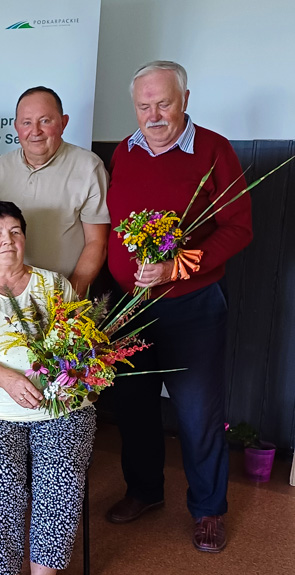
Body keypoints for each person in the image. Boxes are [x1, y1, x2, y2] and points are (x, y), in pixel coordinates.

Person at [104, 61, 252, 553]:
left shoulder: (214, 149)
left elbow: (238, 228)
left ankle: (208, 509)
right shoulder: (125, 151)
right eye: (143, 106)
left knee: (196, 412)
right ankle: (145, 491)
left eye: (163, 103)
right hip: (131, 307)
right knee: (135, 406)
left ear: (185, 98)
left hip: (193, 305)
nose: (153, 114)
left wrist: (178, 268)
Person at [0, 201, 95, 575]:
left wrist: (71, 373)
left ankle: (45, 573)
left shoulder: (54, 284)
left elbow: (79, 343)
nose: (7, 240)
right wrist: (8, 379)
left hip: (57, 406)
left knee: (61, 474)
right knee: (1, 482)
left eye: (15, 232)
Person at [0, 86, 109, 296]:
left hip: (64, 296)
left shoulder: (89, 168)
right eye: (26, 123)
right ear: (16, 127)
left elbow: (97, 244)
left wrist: (69, 298)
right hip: (5, 298)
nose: (35, 131)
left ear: (64, 122)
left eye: (45, 121)